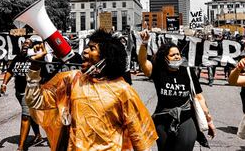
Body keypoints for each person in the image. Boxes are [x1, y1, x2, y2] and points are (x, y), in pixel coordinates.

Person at [25, 29, 158, 151]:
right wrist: (34, 68)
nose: (85, 51)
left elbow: (140, 137)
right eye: (87, 46)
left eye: (92, 48)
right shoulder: (72, 80)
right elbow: (35, 101)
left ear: (107, 56)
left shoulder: (123, 91)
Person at [138, 30, 216, 151]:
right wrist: (144, 43)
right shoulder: (159, 71)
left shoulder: (189, 72)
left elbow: (199, 98)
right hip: (162, 120)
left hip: (186, 119)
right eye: (172, 55)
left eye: (178, 54)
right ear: (165, 58)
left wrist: (209, 120)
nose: (177, 56)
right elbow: (142, 62)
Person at [0, 38, 43, 151]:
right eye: (24, 43)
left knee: (25, 116)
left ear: (32, 47)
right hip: (19, 91)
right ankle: (38, 135)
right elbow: (10, 71)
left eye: (28, 44)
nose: (25, 45)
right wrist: (4, 84)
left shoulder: (35, 58)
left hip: (30, 91)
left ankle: (21, 146)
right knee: (30, 115)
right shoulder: (18, 57)